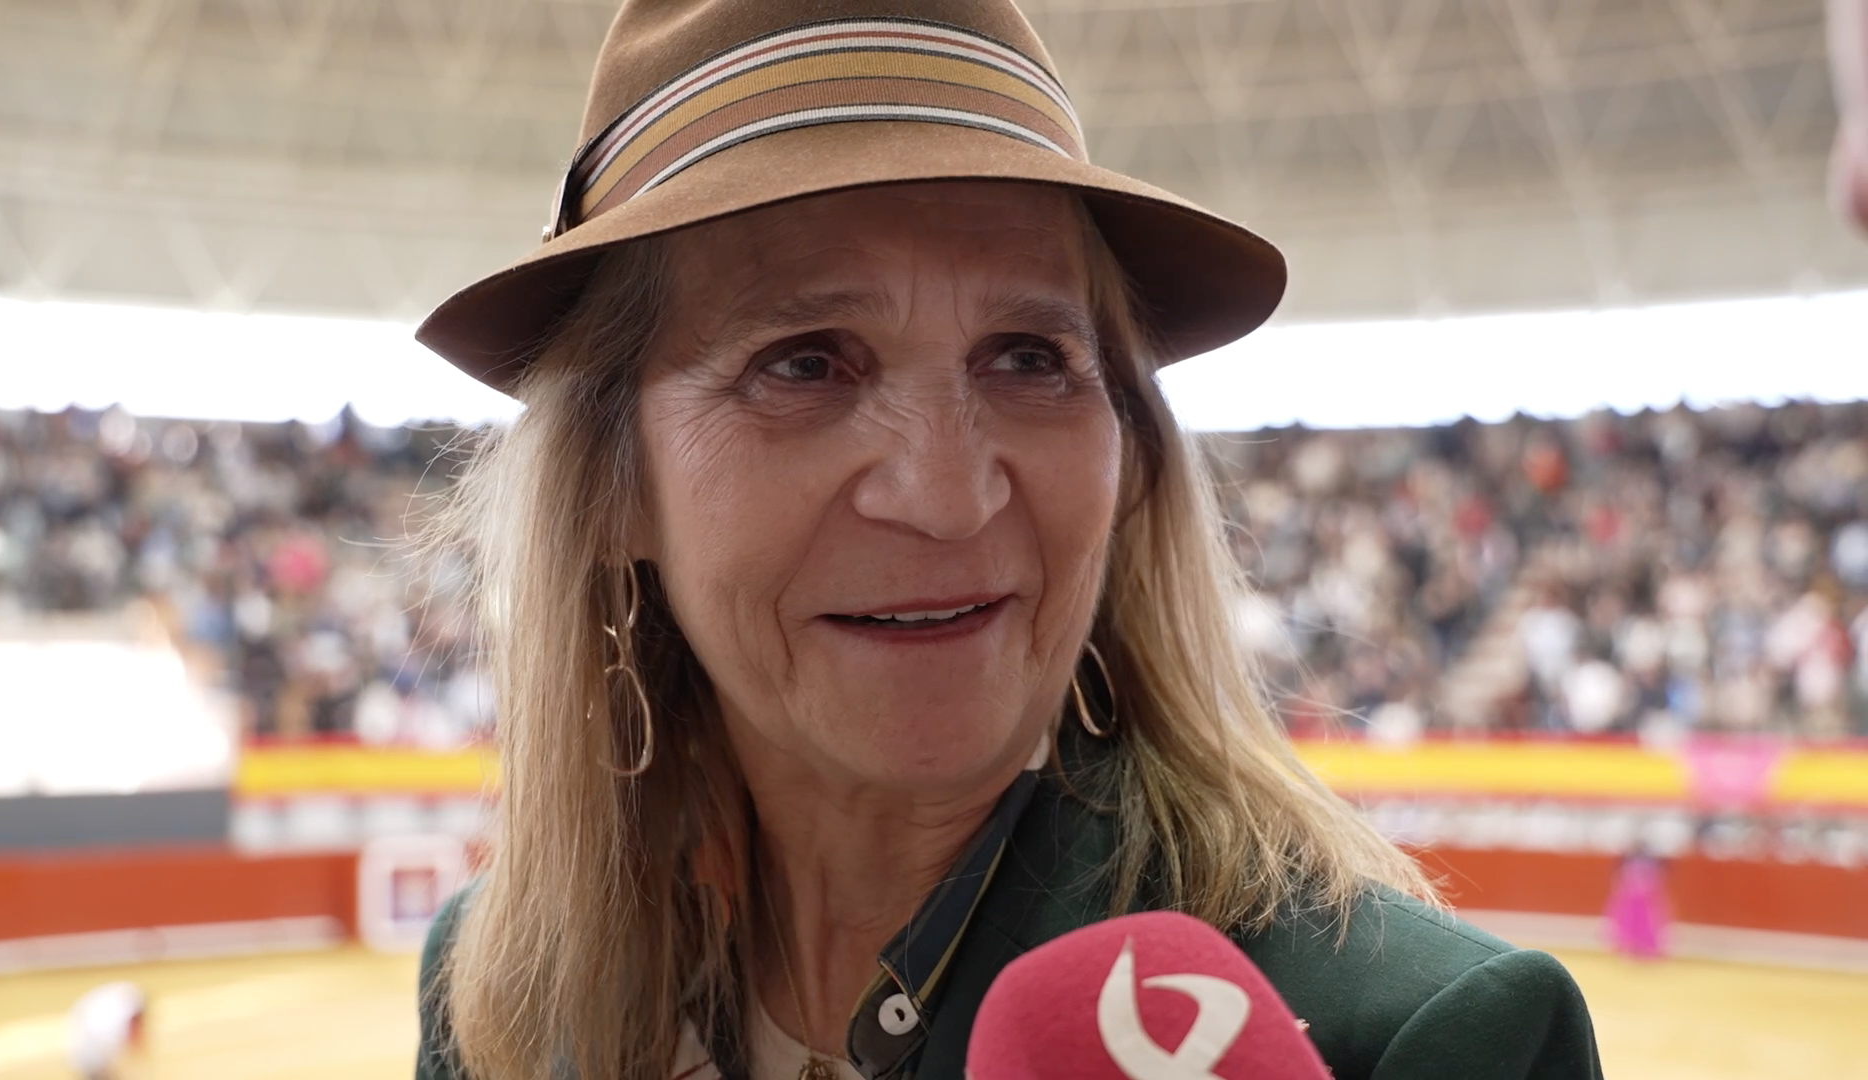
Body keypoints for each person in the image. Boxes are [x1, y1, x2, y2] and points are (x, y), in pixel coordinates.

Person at [411, 2, 1603, 1078]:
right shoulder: (506, 1001)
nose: (948, 496)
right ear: (611, 489)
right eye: (805, 362)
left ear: (1130, 455)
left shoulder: (1424, 1042)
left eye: (1030, 358)